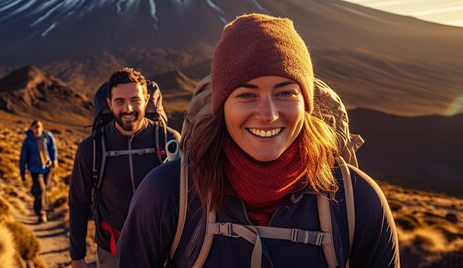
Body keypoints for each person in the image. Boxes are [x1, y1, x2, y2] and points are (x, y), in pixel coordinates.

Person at [119, 14, 400, 267]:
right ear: (221, 106)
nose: (268, 115)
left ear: (307, 103)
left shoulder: (357, 200)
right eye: (245, 94)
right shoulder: (167, 193)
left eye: (285, 93)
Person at [68, 68, 181, 268]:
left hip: (164, 249)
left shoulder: (169, 141)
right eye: (120, 101)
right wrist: (77, 256)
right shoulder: (91, 148)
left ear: (146, 99)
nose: (128, 108)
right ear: (110, 104)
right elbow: (78, 202)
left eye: (135, 100)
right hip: (112, 250)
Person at [19, 120, 58, 224]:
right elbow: (23, 157)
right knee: (41, 189)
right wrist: (22, 172)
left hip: (47, 168)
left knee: (43, 189)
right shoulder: (27, 141)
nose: (37, 129)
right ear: (31, 128)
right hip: (35, 169)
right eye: (35, 127)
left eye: (39, 127)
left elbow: (53, 148)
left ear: (42, 127)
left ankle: (38, 202)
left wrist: (54, 160)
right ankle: (41, 214)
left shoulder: (47, 136)